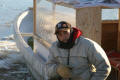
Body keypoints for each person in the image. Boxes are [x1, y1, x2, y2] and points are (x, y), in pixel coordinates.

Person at [46, 21, 111, 80]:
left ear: (71, 31)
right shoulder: (54, 47)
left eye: (65, 32)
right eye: (59, 34)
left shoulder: (88, 45)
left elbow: (104, 67)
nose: (63, 37)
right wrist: (57, 69)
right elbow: (47, 68)